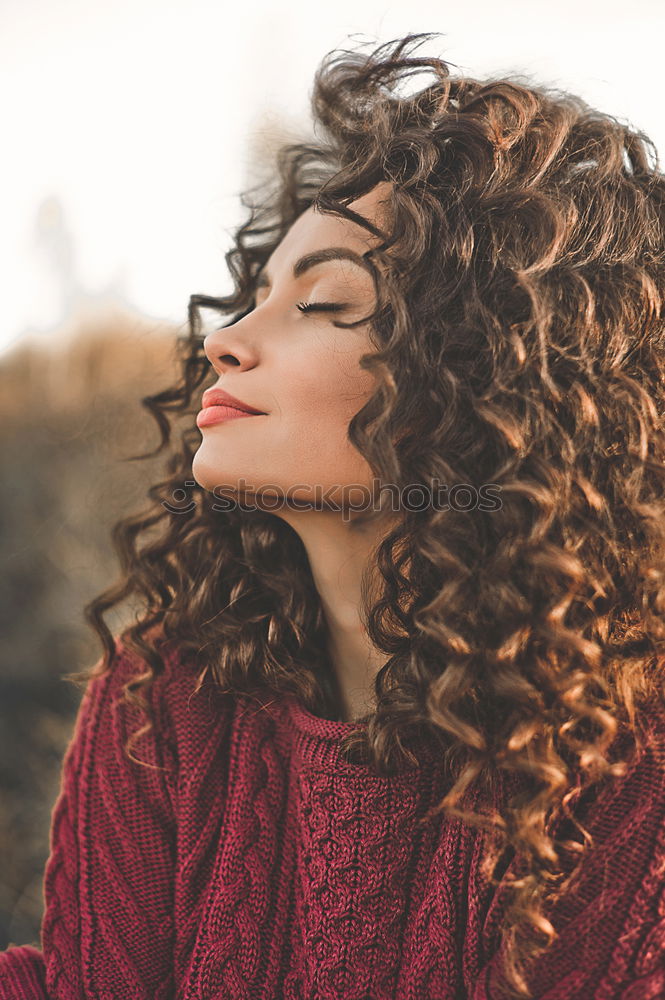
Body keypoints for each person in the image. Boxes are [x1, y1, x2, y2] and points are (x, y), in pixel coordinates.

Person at [2, 31, 665, 1000]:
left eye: (321, 302)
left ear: (481, 372)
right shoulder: (169, 694)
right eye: (255, 293)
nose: (226, 340)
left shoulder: (630, 755)